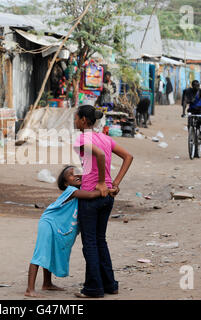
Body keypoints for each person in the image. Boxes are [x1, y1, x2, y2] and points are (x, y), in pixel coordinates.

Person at [25, 166, 114, 297]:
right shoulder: (71, 190)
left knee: (49, 252)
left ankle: (47, 283)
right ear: (66, 183)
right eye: (71, 175)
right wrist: (108, 190)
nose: (76, 175)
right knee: (41, 254)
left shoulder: (80, 190)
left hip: (56, 225)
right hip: (48, 223)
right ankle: (29, 290)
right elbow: (91, 195)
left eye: (77, 172)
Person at [73, 105, 133, 298]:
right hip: (108, 196)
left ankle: (93, 288)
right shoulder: (105, 138)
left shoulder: (82, 138)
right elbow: (128, 156)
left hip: (92, 195)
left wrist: (99, 182)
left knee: (90, 242)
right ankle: (110, 285)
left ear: (83, 120)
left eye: (75, 118)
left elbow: (98, 154)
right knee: (100, 240)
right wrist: (114, 182)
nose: (74, 121)